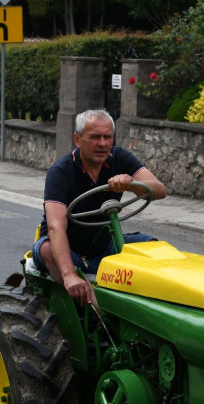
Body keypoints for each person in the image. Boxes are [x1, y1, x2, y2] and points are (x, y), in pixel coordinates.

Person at [33, 109, 167, 308]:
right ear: (78, 140)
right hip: (69, 249)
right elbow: (55, 227)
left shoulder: (119, 157)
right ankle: (99, 313)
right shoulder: (60, 172)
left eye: (107, 137)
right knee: (46, 249)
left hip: (105, 245)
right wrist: (69, 274)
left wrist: (132, 184)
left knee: (153, 248)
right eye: (95, 137)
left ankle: (159, 304)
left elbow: (159, 190)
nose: (102, 144)